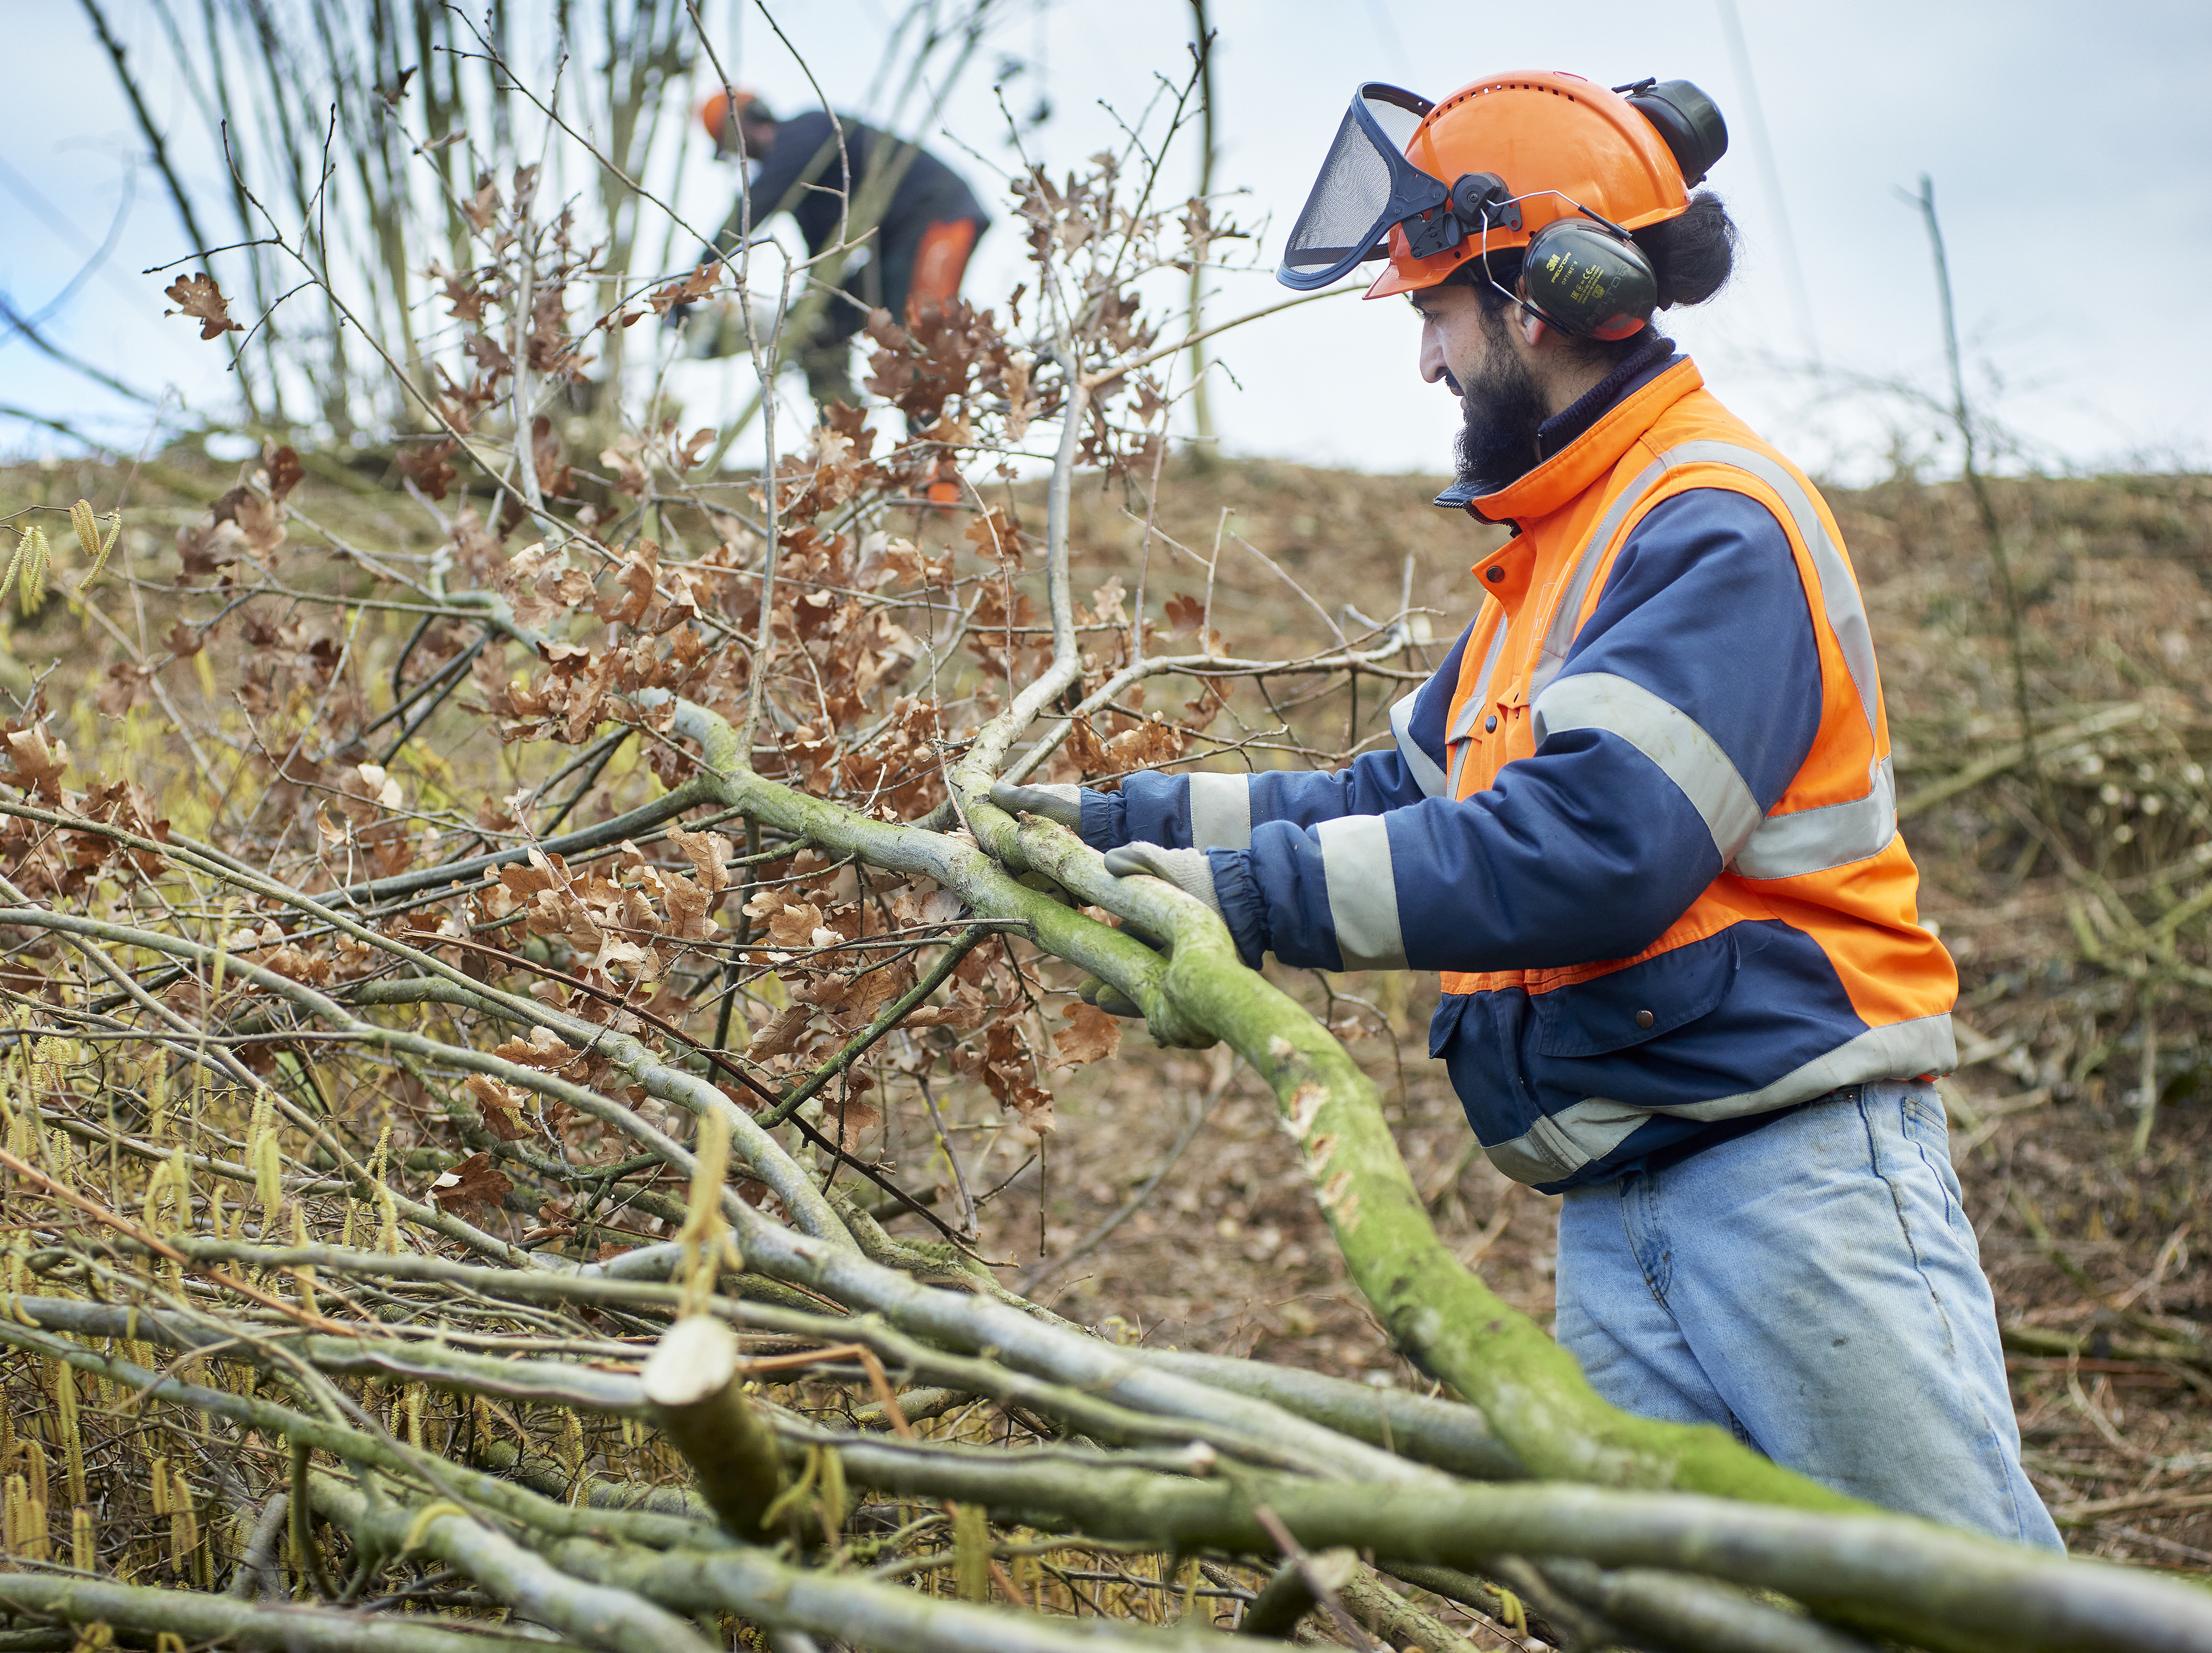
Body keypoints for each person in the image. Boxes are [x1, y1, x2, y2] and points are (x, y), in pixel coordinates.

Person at [992, 70, 2060, 1549]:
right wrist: (1113, 826)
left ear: (1542, 298)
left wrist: (1235, 904)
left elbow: (1590, 851)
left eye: (1433, 311)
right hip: (1621, 1193)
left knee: (1967, 1608)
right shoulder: (1556, 559)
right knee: (1679, 1616)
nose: (1425, 360)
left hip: (1788, 1188)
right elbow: (1393, 796)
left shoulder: (1707, 524)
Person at [688, 87, 990, 418]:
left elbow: (753, 207)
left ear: (754, 118)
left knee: (921, 332)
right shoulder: (805, 195)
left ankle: (934, 452)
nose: (746, 155)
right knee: (824, 326)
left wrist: (693, 282)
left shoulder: (806, 132)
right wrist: (801, 319)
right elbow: (823, 259)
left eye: (736, 142)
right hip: (894, 248)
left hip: (939, 214)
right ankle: (845, 446)